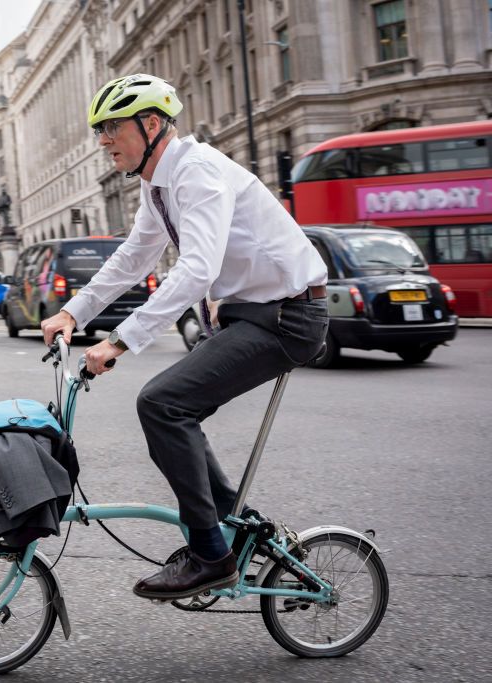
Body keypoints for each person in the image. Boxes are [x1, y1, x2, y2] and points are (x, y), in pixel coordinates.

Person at [41, 75, 328, 600]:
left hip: (287, 318)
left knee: (163, 403)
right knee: (175, 408)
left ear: (151, 125)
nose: (103, 140)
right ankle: (234, 525)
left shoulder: (197, 172)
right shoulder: (158, 183)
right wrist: (73, 312)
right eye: (99, 130)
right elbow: (135, 257)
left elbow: (196, 268)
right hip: (251, 313)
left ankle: (209, 554)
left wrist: (120, 342)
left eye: (111, 128)